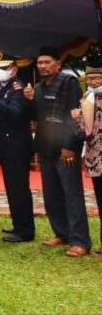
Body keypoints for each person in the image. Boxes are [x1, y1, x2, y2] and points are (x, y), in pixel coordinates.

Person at [24, 46, 91, 257]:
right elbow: (35, 117)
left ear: (58, 64)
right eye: (40, 63)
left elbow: (74, 117)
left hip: (65, 149)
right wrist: (29, 100)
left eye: (47, 62)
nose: (42, 66)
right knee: (51, 195)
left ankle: (80, 241)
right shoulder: (38, 87)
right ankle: (62, 234)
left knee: (72, 195)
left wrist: (69, 146)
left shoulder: (69, 84)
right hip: (46, 147)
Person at [0, 50, 35, 243]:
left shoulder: (17, 88)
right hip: (8, 145)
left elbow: (14, 113)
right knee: (12, 188)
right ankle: (18, 223)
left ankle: (25, 230)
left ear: (14, 70)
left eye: (4, 68)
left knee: (19, 188)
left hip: (17, 146)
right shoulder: (5, 87)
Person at [72, 56, 102, 254]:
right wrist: (77, 120)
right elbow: (84, 134)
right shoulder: (86, 99)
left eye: (97, 78)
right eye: (89, 78)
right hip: (96, 158)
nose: (93, 82)